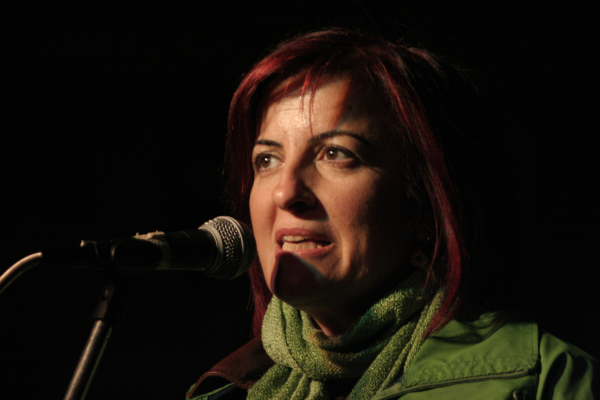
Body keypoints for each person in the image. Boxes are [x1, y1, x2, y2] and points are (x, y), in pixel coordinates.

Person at [187, 28, 597, 400]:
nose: (285, 192)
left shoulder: (550, 383)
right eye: (267, 159)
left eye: (335, 153)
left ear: (425, 204)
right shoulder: (224, 393)